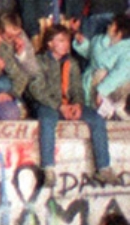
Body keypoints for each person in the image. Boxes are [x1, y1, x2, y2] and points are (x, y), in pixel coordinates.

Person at [28, 25, 123, 184]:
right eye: (61, 40)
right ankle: (48, 168)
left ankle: (104, 168)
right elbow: (37, 90)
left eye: (67, 41)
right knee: (47, 120)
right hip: (48, 104)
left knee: (97, 119)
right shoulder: (39, 61)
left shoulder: (71, 63)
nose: (66, 44)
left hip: (69, 104)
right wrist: (59, 106)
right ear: (50, 43)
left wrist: (78, 105)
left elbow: (77, 89)